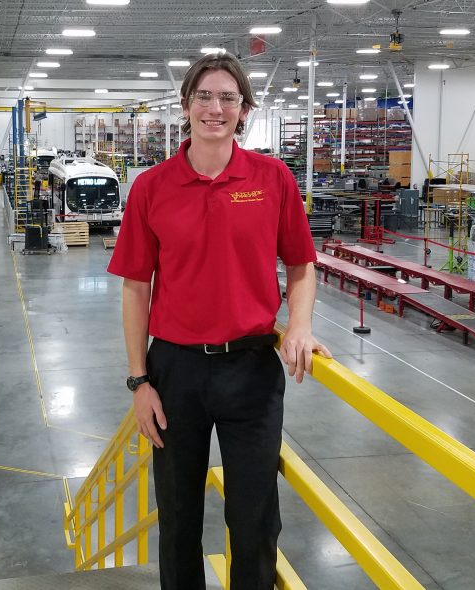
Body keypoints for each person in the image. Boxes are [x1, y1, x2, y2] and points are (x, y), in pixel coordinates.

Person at [107, 52, 331, 590]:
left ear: (244, 110)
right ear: (185, 106)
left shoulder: (271, 178)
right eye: (204, 96)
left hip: (251, 370)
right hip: (175, 372)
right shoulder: (152, 187)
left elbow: (301, 264)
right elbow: (136, 289)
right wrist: (139, 380)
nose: (215, 108)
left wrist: (298, 325)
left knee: (253, 519)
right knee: (179, 517)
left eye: (228, 97)